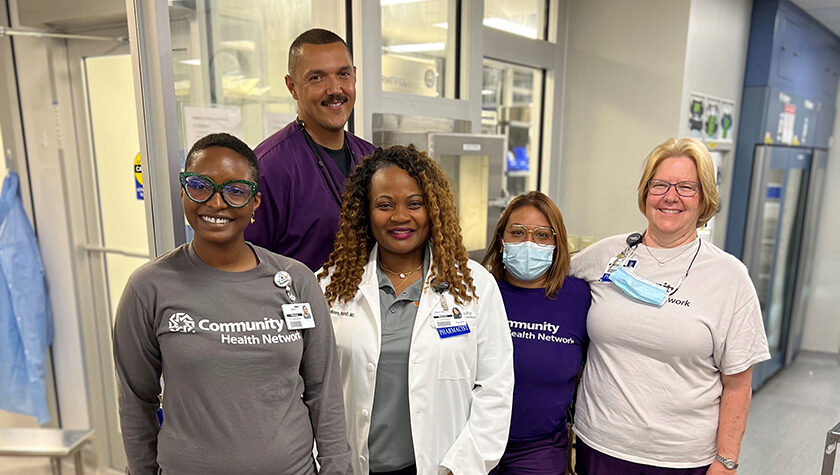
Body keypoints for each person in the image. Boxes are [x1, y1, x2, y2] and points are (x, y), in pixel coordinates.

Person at [113, 133, 351, 474]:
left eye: (236, 190)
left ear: (255, 203)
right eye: (200, 185)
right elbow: (136, 402)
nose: (216, 202)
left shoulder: (296, 280)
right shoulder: (149, 287)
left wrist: (336, 469)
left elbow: (324, 392)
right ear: (183, 191)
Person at [569, 137, 770, 475]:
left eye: (686, 187)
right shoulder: (606, 255)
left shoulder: (729, 277)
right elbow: (548, 282)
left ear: (704, 197)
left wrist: (726, 462)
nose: (670, 197)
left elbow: (738, 385)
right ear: (645, 192)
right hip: (599, 447)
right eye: (659, 184)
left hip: (681, 460)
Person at [318, 145, 514, 475]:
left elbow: (495, 389)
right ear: (365, 211)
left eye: (415, 203)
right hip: (352, 467)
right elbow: (308, 388)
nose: (400, 216)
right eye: (384, 205)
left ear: (433, 209)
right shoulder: (331, 286)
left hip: (441, 467)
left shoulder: (473, 285)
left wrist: (460, 467)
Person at [244, 28, 376, 271]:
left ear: (355, 76)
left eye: (343, 74)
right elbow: (246, 268)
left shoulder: (373, 159)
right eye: (317, 77)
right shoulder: (268, 168)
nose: (335, 89)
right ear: (292, 86)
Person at [481, 191, 590, 474]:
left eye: (543, 235)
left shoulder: (579, 297)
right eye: (517, 232)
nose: (529, 242)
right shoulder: (479, 292)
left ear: (556, 244)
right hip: (472, 439)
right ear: (501, 239)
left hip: (538, 449)